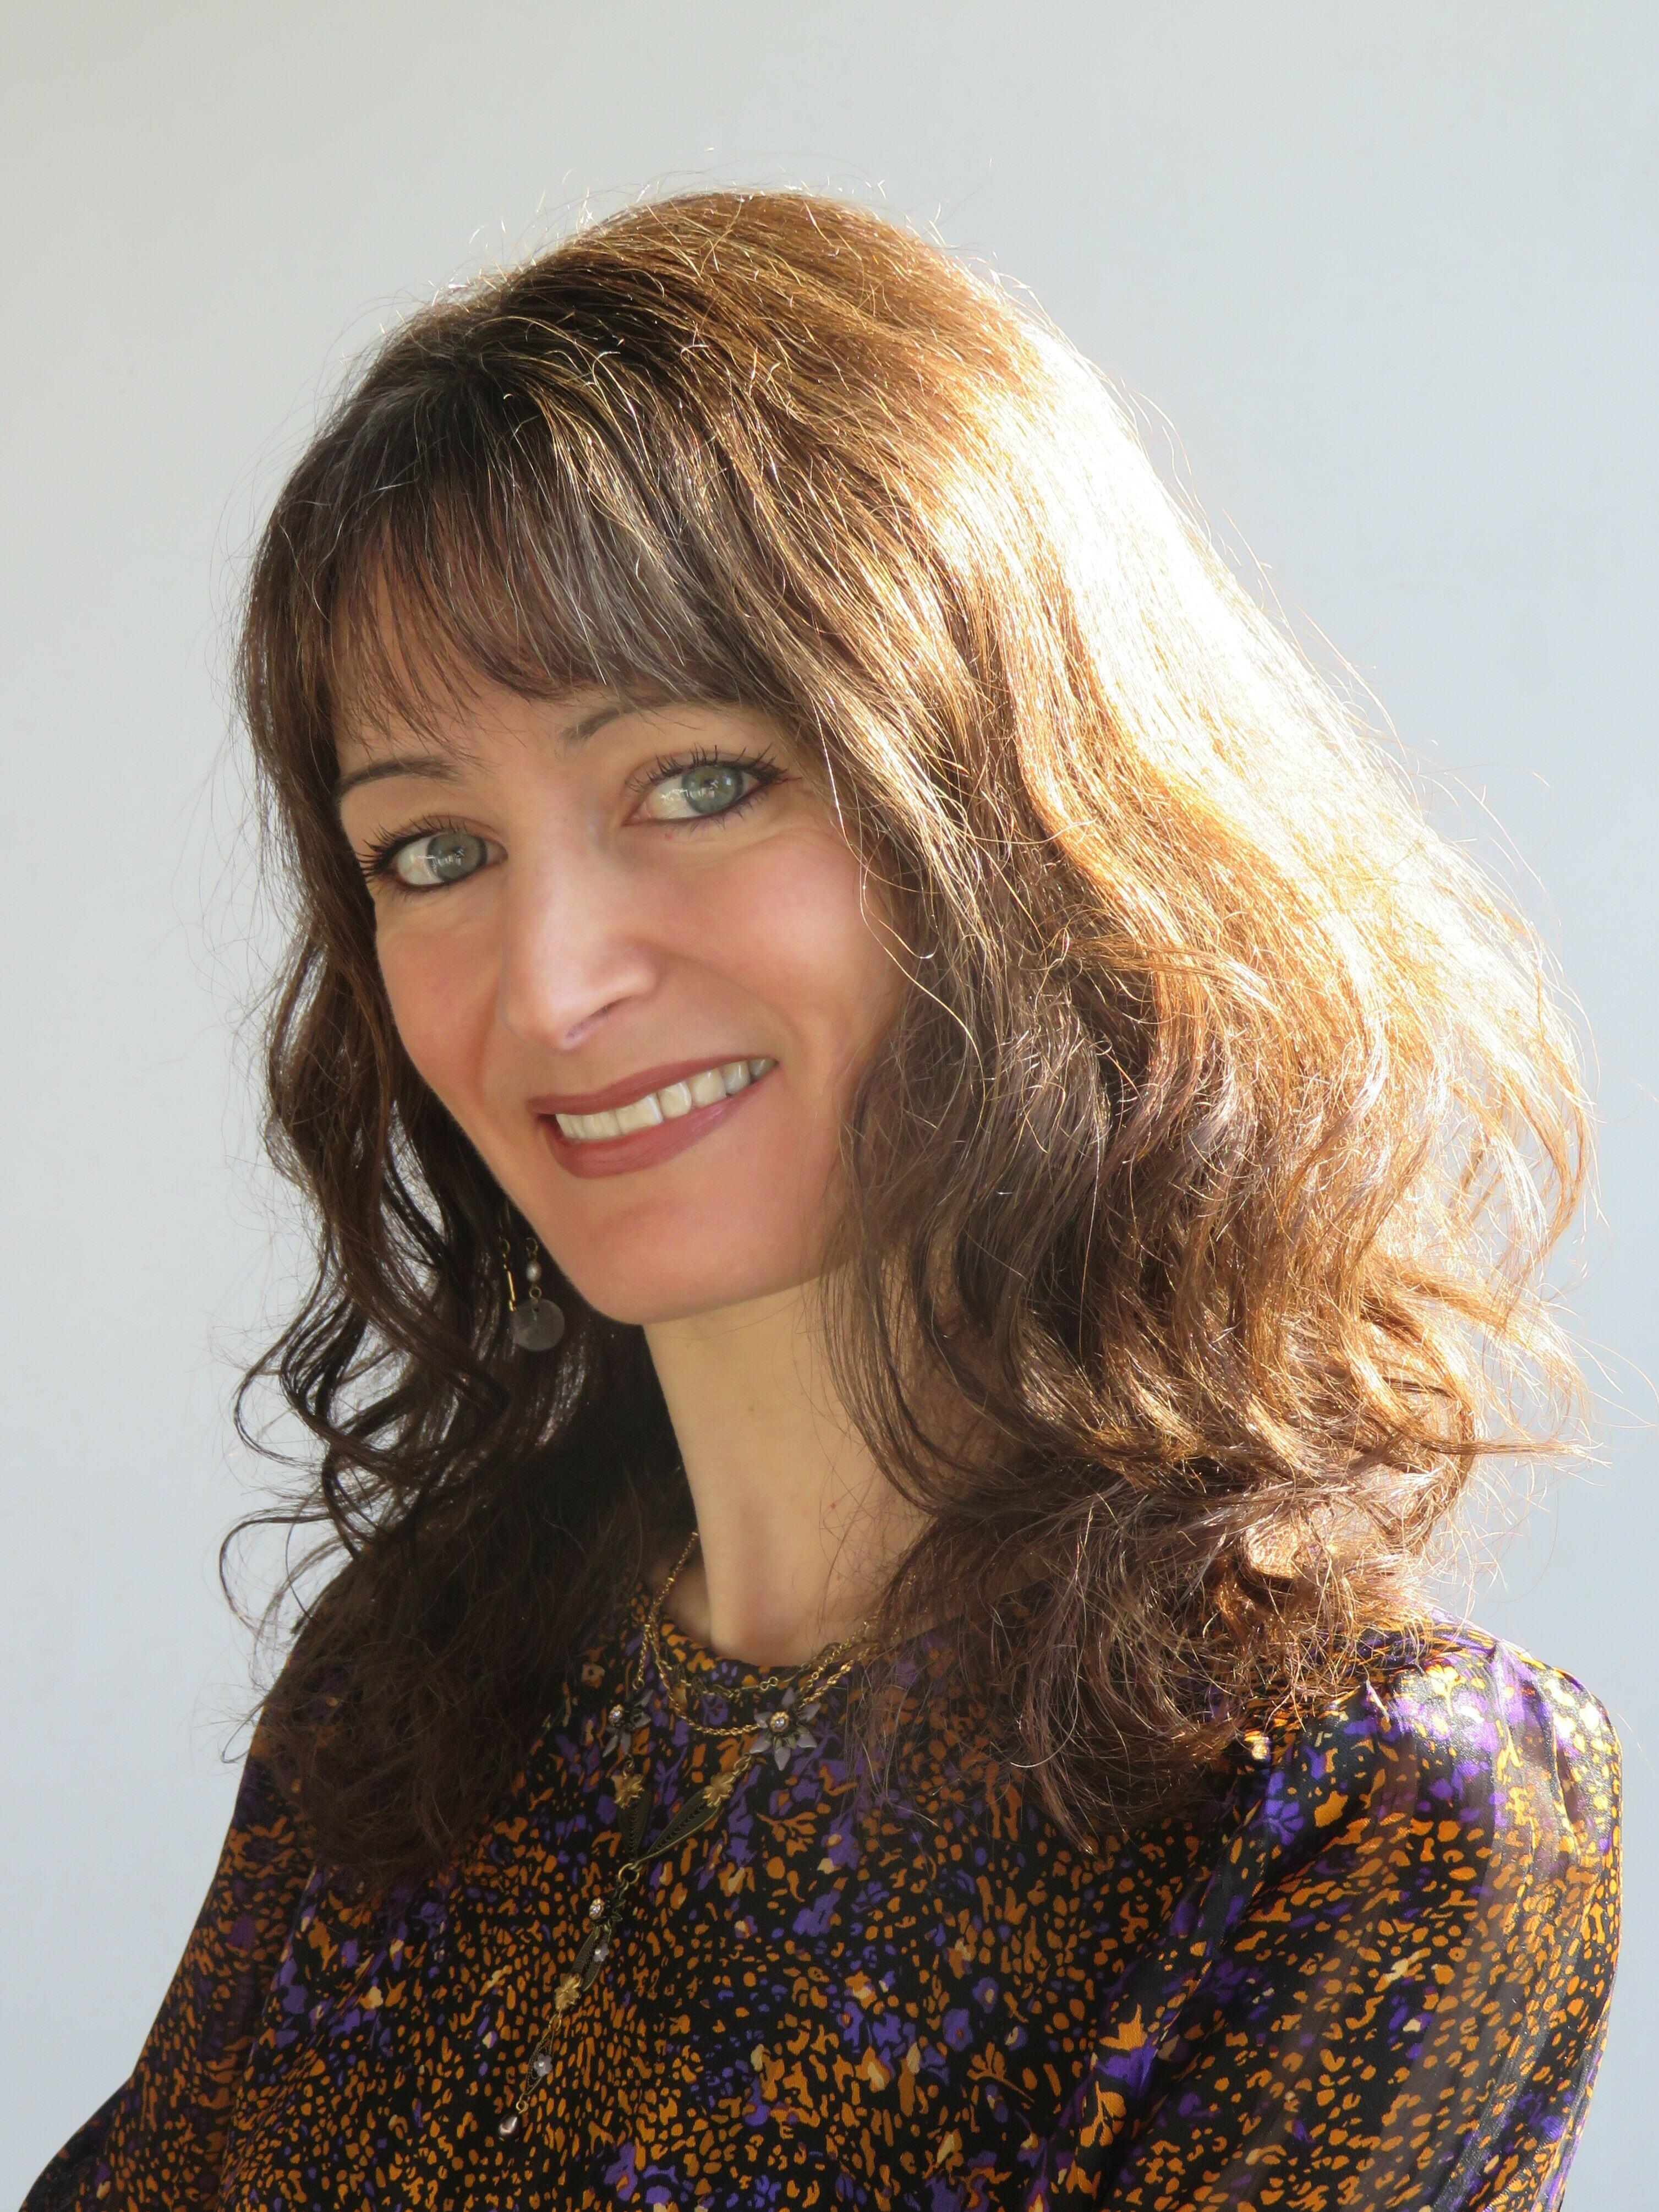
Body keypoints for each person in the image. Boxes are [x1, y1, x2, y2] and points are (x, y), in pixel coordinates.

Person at [26, 189, 1618, 2212]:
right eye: (431, 850)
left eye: (698, 783)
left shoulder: (1361, 1812)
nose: (550, 984)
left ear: (1030, 812)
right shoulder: (422, 1677)